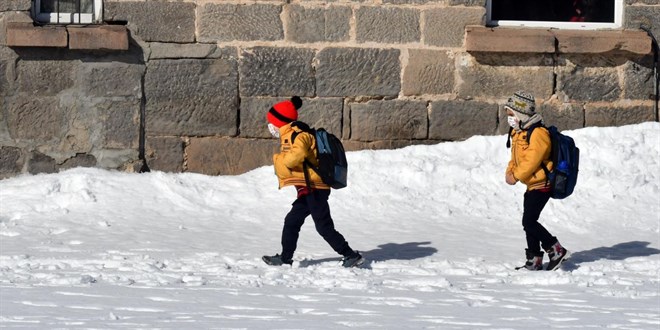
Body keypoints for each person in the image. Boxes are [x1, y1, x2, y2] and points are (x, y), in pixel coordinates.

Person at [262, 96, 364, 268]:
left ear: (280, 122)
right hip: (307, 189)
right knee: (291, 221)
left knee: (323, 226)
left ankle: (350, 255)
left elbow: (296, 156)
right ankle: (285, 258)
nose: (269, 126)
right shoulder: (291, 135)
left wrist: (279, 159)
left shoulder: (301, 136)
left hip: (315, 189)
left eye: (271, 122)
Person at [504, 91, 570, 271]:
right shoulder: (519, 133)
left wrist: (516, 175)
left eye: (511, 114)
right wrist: (509, 172)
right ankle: (534, 259)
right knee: (529, 223)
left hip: (543, 184)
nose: (509, 119)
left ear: (521, 114)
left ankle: (556, 249)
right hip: (532, 185)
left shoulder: (539, 133)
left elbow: (532, 160)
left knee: (529, 222)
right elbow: (516, 158)